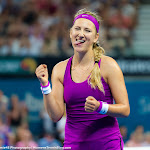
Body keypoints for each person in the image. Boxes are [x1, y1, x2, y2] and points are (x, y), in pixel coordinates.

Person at [35, 9, 130, 150]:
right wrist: (45, 85)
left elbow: (125, 109)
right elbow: (55, 116)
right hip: (73, 146)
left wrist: (100, 107)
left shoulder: (109, 65)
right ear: (70, 33)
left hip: (108, 146)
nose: (81, 34)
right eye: (77, 29)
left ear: (96, 37)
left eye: (87, 30)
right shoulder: (60, 69)